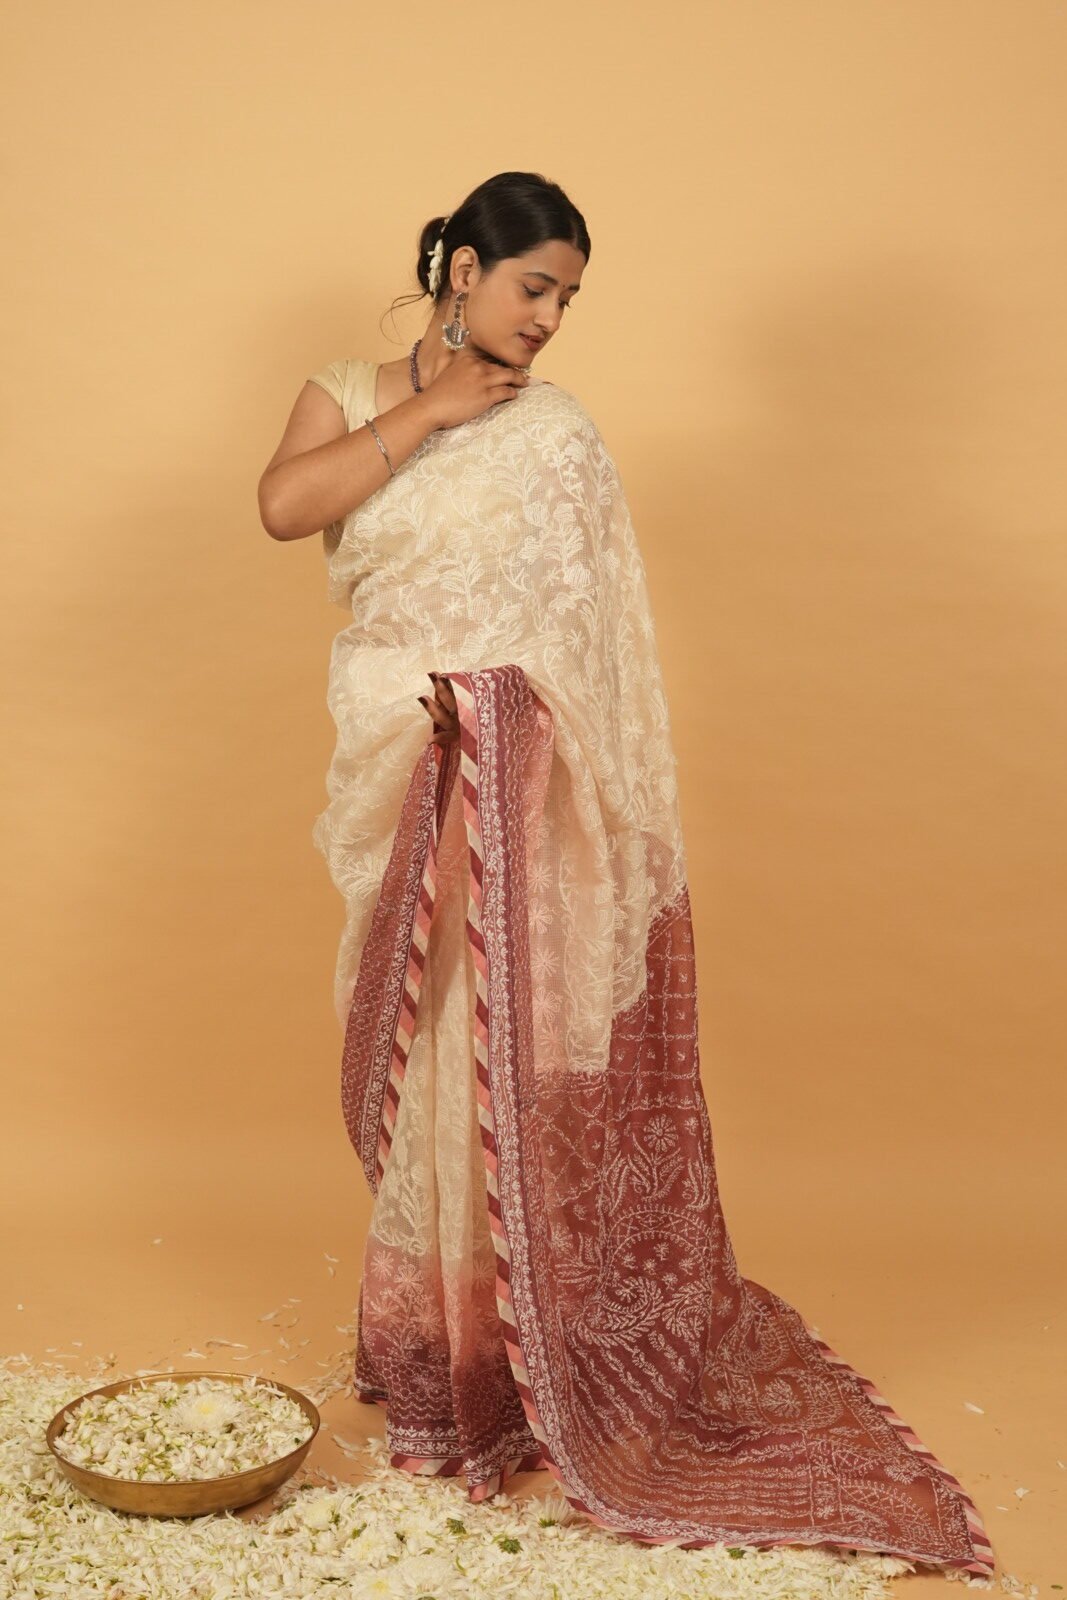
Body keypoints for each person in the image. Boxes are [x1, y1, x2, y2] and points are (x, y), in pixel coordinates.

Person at [258, 171, 994, 1577]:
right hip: (398, 768)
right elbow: (287, 507)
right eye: (534, 287)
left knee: (497, 1062)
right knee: (425, 1062)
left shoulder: (560, 436)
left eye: (568, 299)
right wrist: (432, 411)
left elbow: (584, 641)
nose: (549, 320)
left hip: (511, 786)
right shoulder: (347, 390)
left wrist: (499, 716)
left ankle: (504, 1374)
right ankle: (428, 1353)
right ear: (462, 269)